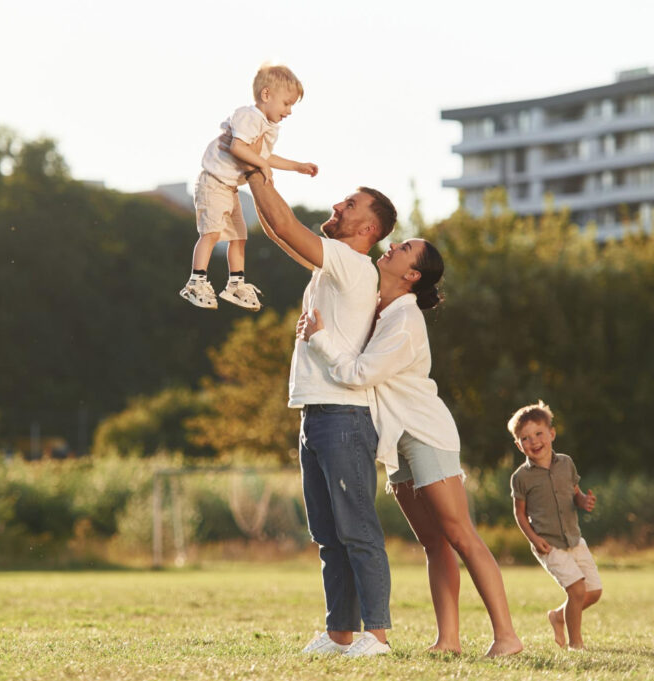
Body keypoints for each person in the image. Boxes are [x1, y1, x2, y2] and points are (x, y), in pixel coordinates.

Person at [297, 238, 523, 658]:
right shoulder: (379, 309)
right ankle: (448, 641)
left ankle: (507, 637)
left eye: (402, 249)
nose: (391, 248)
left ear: (413, 275)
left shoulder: (404, 320)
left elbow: (360, 374)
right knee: (433, 543)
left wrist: (320, 338)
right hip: (394, 439)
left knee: (460, 535)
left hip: (424, 432)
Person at [244, 169, 397, 657]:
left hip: (344, 417)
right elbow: (277, 229)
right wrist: (256, 183)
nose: (338, 206)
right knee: (329, 535)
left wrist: (254, 169)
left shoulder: (353, 265)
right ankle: (339, 634)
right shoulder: (331, 265)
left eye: (350, 205)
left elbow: (288, 226)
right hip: (317, 415)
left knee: (358, 531)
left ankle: (377, 636)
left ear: (369, 229)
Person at [179, 64, 318, 311]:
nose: (289, 111)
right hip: (213, 183)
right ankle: (196, 281)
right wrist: (263, 165)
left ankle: (236, 284)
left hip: (229, 188)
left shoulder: (266, 125)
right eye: (286, 103)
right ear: (266, 95)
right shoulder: (248, 116)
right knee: (211, 233)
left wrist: (297, 166)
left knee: (239, 237)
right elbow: (238, 148)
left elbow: (263, 156)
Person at [508, 401, 602, 650]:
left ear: (551, 433)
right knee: (577, 590)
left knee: (593, 592)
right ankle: (576, 644)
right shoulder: (521, 477)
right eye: (525, 438)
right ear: (519, 445)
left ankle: (559, 616)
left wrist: (584, 501)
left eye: (539, 433)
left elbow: (575, 492)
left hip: (573, 538)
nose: (534, 441)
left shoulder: (566, 463)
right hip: (548, 544)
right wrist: (533, 539)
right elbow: (519, 513)